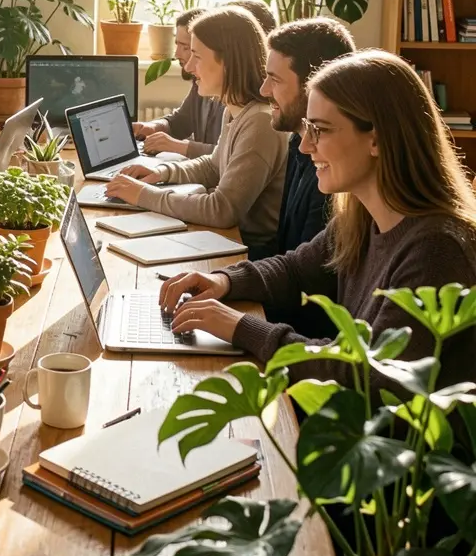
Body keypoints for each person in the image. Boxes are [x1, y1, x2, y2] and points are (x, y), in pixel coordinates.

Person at [158, 50, 476, 389]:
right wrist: (224, 280)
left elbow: (370, 378)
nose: (305, 145)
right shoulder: (361, 216)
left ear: (377, 139)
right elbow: (296, 270)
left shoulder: (435, 250)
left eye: (320, 130)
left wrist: (241, 327)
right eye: (308, 127)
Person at [106, 7, 288, 256]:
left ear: (228, 61)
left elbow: (222, 210)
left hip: (249, 252)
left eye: (197, 56)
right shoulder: (235, 110)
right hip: (226, 240)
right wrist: (161, 172)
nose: (190, 67)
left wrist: (144, 195)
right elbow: (213, 167)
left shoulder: (260, 122)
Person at [261, 17, 355, 255]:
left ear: (312, 87)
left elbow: (312, 271)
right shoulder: (297, 142)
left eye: (275, 79)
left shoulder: (334, 170)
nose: (263, 90)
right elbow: (288, 254)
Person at [132, 7, 224, 158]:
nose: (176, 54)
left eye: (186, 48)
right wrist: (151, 127)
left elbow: (227, 156)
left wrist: (177, 146)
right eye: (177, 45)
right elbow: (181, 122)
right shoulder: (201, 83)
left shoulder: (237, 102)